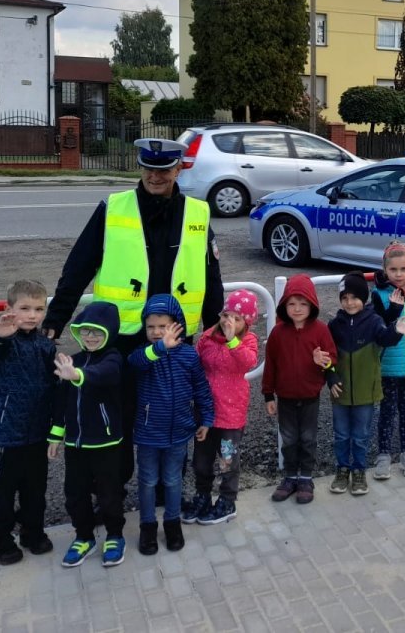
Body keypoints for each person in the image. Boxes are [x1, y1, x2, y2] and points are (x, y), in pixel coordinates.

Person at [43, 138, 224, 486]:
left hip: (173, 337)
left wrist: (215, 325)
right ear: (140, 168)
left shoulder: (198, 213)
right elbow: (79, 265)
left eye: (164, 170)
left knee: (170, 411)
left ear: (178, 169)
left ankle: (165, 489)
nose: (155, 176)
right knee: (119, 415)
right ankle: (114, 490)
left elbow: (210, 275)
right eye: (149, 169)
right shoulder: (113, 207)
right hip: (122, 339)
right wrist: (56, 318)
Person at [128, 294, 215, 556]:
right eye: (151, 326)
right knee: (147, 480)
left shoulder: (189, 356)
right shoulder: (143, 354)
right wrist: (159, 349)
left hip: (179, 432)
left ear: (177, 326)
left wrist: (207, 419)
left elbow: (201, 390)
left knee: (173, 479)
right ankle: (147, 526)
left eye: (163, 326)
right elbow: (134, 364)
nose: (156, 332)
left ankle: (172, 523)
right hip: (148, 433)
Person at [0, 280, 57, 566]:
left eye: (39, 309)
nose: (32, 315)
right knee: (1, 492)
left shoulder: (44, 344)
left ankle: (32, 531)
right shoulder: (2, 341)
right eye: (24, 308)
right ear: (8, 309)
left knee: (35, 489)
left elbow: (51, 383)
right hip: (5, 434)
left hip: (37, 432)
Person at [47, 301, 126, 569]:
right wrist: (56, 436)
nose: (90, 337)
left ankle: (115, 535)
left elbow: (104, 375)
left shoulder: (113, 358)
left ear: (110, 333)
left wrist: (77, 375)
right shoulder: (73, 360)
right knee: (74, 494)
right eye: (86, 331)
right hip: (76, 445)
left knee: (109, 493)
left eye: (98, 332)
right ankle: (84, 537)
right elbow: (62, 404)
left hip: (106, 442)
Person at [330, 273, 405, 496]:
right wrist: (330, 378)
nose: (349, 302)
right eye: (344, 297)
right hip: (340, 392)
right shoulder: (334, 325)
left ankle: (358, 471)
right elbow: (327, 357)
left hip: (366, 391)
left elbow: (385, 338)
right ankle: (342, 469)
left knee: (361, 435)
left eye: (355, 297)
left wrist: (396, 331)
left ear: (363, 298)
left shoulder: (374, 321)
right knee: (341, 434)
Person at [185, 290, 260, 526]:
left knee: (228, 459)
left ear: (246, 322)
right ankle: (203, 495)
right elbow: (195, 362)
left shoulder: (247, 340)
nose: (229, 321)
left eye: (237, 319)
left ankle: (227, 500)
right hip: (206, 412)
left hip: (231, 413)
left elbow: (248, 361)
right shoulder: (208, 336)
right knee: (201, 458)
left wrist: (232, 340)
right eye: (227, 315)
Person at [262, 275, 338, 505]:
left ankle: (305, 478)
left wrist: (321, 361)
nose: (297, 309)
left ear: (312, 305)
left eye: (303, 304)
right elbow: (271, 365)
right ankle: (289, 477)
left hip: (310, 397)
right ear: (284, 304)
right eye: (292, 303)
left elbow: (332, 359)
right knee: (289, 439)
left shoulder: (321, 330)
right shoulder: (278, 333)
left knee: (307, 438)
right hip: (284, 397)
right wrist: (268, 395)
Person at [370, 242, 405, 481]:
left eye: (404, 269)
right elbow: (378, 327)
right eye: (393, 270)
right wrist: (393, 309)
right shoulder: (378, 293)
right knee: (387, 411)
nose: (399, 274)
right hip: (388, 366)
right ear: (385, 269)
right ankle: (383, 454)